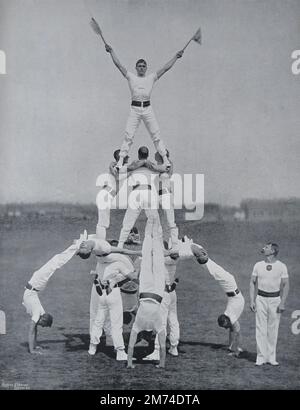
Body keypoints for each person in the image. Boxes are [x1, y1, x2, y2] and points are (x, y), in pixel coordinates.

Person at [103, 41, 184, 169]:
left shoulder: (151, 78)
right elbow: (119, 65)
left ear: (146, 68)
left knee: (156, 134)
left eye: (143, 66)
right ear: (136, 68)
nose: (141, 67)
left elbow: (165, 68)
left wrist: (176, 57)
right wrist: (111, 51)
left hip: (147, 108)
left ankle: (165, 159)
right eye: (139, 66)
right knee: (128, 135)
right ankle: (120, 161)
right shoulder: (131, 77)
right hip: (135, 109)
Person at [22, 232, 86, 354]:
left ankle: (76, 247)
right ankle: (76, 246)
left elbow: (34, 329)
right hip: (35, 284)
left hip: (35, 286)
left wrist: (35, 347)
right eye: (43, 325)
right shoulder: (38, 313)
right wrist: (32, 350)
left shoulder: (39, 313)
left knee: (56, 262)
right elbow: (32, 330)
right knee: (56, 262)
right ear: (43, 320)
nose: (40, 326)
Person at [127, 214, 167, 369]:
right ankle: (152, 221)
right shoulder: (138, 326)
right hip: (146, 292)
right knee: (150, 253)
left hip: (156, 292)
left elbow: (162, 347)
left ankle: (153, 221)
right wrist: (129, 363)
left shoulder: (157, 326)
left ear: (150, 335)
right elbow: (130, 346)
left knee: (155, 256)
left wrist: (162, 363)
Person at [192, 244, 245, 357]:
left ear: (225, 320)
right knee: (215, 272)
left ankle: (203, 258)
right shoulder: (230, 316)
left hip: (230, 286)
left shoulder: (231, 315)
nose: (226, 328)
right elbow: (234, 330)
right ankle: (203, 259)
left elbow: (237, 331)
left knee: (215, 272)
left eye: (225, 326)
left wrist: (237, 350)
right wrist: (230, 347)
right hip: (232, 292)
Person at [88, 253, 138, 360]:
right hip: (113, 293)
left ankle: (92, 347)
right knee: (116, 323)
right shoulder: (118, 263)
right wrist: (136, 269)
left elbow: (97, 276)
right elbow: (133, 277)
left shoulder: (101, 263)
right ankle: (120, 352)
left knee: (98, 320)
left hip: (102, 294)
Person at [250, 243, 289, 366]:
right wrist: (252, 300)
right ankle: (261, 357)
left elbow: (286, 284)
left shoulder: (281, 266)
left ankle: (271, 357)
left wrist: (282, 302)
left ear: (272, 251)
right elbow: (252, 282)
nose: (263, 248)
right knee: (260, 328)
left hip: (275, 300)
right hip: (260, 299)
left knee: (273, 329)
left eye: (266, 247)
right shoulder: (258, 265)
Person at [118, 146, 163, 248]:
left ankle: (120, 245)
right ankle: (160, 246)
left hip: (137, 192)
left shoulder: (134, 165)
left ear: (138, 155)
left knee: (128, 221)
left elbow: (121, 170)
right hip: (148, 193)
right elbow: (164, 169)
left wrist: (140, 163)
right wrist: (146, 163)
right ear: (147, 155)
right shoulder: (150, 165)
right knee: (155, 220)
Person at [144, 240, 180, 361]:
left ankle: (157, 350)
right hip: (172, 292)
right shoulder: (173, 260)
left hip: (163, 293)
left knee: (161, 321)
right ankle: (174, 347)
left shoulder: (160, 260)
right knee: (173, 319)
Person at [95, 149, 129, 240]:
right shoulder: (116, 167)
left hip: (107, 195)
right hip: (106, 195)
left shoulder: (119, 166)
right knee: (103, 223)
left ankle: (100, 242)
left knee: (103, 222)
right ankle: (100, 243)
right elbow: (117, 177)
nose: (128, 157)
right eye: (126, 156)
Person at [155, 150, 179, 249]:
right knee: (159, 221)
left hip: (166, 195)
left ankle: (174, 244)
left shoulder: (167, 164)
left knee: (170, 221)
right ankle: (163, 243)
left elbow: (168, 168)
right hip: (158, 196)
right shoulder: (158, 166)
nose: (155, 155)